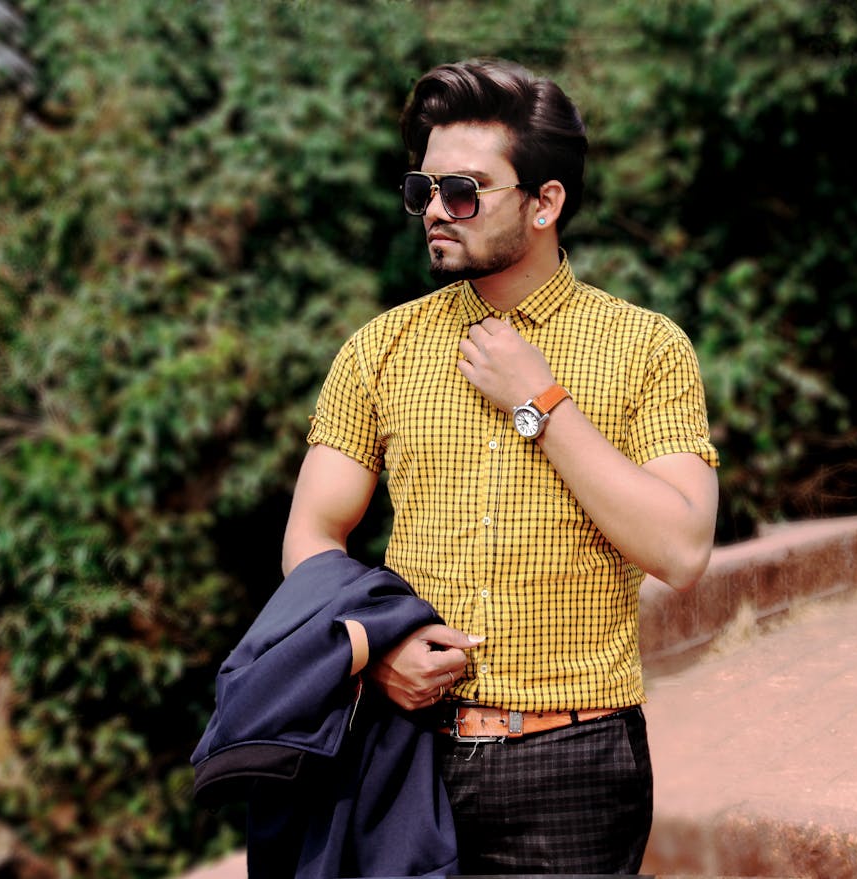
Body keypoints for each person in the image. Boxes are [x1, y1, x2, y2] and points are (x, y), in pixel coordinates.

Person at [281, 57, 719, 875]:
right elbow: (313, 531)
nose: (435, 211)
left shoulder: (647, 347)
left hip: (574, 764)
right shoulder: (381, 349)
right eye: (423, 190)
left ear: (545, 202)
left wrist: (540, 401)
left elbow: (682, 548)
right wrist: (373, 650)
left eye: (464, 191)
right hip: (403, 752)